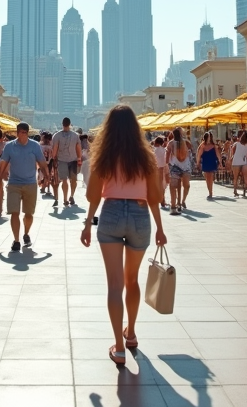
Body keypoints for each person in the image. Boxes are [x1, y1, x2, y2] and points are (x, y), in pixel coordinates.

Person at [80, 105, 167, 365]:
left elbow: (92, 195)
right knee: (132, 280)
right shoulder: (146, 155)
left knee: (115, 285)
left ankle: (118, 347)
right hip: (140, 216)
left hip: (111, 213)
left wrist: (87, 224)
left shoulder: (103, 155)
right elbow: (155, 197)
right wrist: (160, 228)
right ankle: (131, 333)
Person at [0, 122, 50, 252]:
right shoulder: (10, 146)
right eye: (21, 132)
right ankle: (16, 240)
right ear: (17, 133)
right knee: (14, 212)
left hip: (30, 184)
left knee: (29, 214)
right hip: (14, 183)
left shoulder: (34, 146)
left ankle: (26, 233)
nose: (23, 135)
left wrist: (47, 176)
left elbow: (42, 162)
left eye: (26, 133)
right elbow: (3, 163)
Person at [51, 117, 82, 208]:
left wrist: (54, 158)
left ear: (62, 124)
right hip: (73, 160)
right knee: (74, 180)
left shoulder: (56, 136)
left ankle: (65, 199)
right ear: (70, 124)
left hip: (61, 160)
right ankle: (71, 196)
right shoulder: (75, 135)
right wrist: (79, 158)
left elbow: (55, 149)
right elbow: (78, 148)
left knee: (64, 180)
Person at [166, 127, 192, 213]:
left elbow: (167, 156)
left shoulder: (182, 142)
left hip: (180, 166)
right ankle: (176, 204)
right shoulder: (172, 143)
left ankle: (179, 202)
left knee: (176, 186)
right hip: (179, 166)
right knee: (182, 185)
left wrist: (166, 167)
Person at [231, 131, 247, 198]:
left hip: (236, 161)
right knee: (246, 176)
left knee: (236, 177)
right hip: (244, 162)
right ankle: (246, 190)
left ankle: (235, 190)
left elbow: (233, 152)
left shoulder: (236, 144)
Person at [198, 132, 218, 199]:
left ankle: (211, 192)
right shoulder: (202, 145)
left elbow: (217, 154)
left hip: (212, 161)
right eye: (209, 137)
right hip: (206, 162)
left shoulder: (213, 145)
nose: (210, 138)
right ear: (206, 137)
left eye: (210, 136)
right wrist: (197, 162)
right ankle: (209, 190)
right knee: (207, 177)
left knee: (211, 176)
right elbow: (199, 154)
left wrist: (220, 162)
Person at [152, 136, 168, 208]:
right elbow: (166, 162)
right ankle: (162, 200)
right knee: (163, 186)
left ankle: (160, 200)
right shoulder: (164, 150)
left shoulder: (153, 150)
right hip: (163, 169)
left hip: (155, 170)